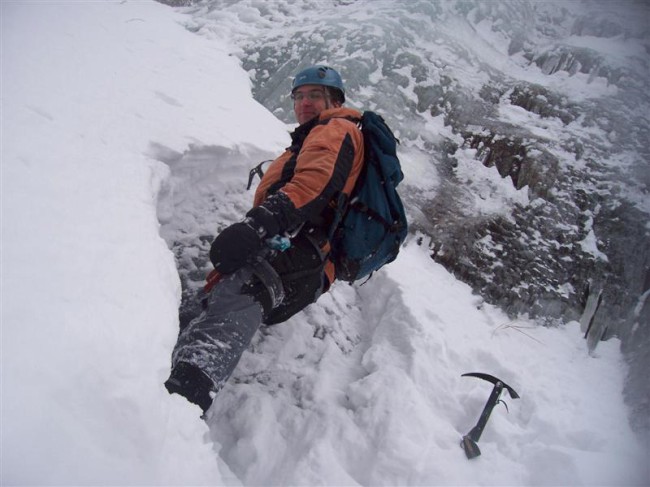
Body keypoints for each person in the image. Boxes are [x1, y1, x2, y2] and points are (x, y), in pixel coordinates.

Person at [164, 65, 365, 413]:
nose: (304, 102)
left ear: (335, 100)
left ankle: (179, 404)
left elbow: (315, 181)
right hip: (298, 247)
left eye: (315, 95)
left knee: (244, 290)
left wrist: (261, 224)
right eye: (299, 96)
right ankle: (164, 337)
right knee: (222, 292)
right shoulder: (312, 135)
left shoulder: (335, 128)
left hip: (305, 252)